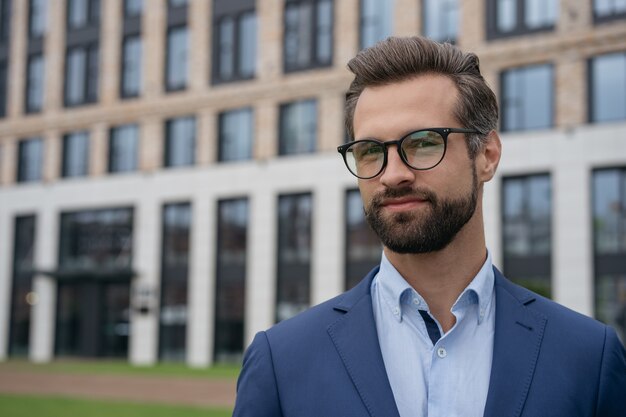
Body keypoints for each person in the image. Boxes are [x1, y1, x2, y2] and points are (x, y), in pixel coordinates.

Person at [233, 36, 626, 417]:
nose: (392, 175)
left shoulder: (588, 357)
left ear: (487, 155)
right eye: (370, 151)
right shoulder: (281, 362)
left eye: (422, 143)